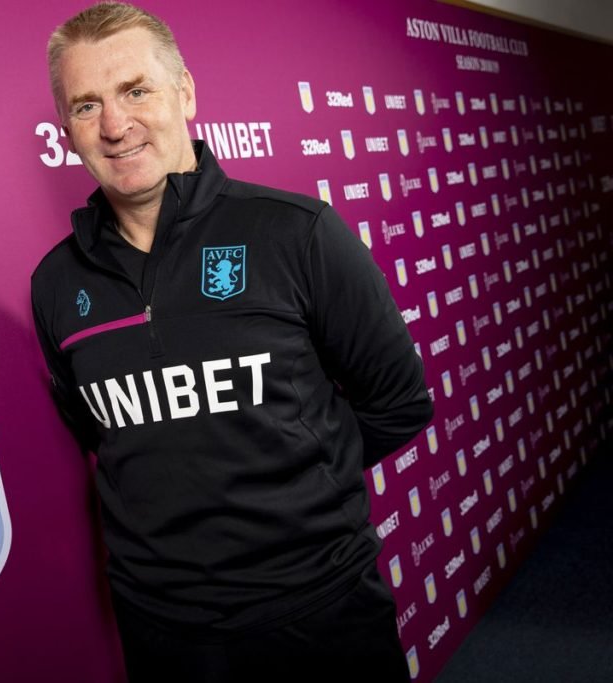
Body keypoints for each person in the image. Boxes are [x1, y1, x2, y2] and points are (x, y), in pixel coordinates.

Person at [31, 3, 433, 680]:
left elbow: (399, 402)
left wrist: (303, 485)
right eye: (85, 105)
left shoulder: (297, 233)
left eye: (135, 91)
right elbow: (101, 433)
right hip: (162, 629)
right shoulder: (54, 283)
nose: (114, 125)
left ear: (184, 92)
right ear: (67, 129)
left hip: (319, 611)